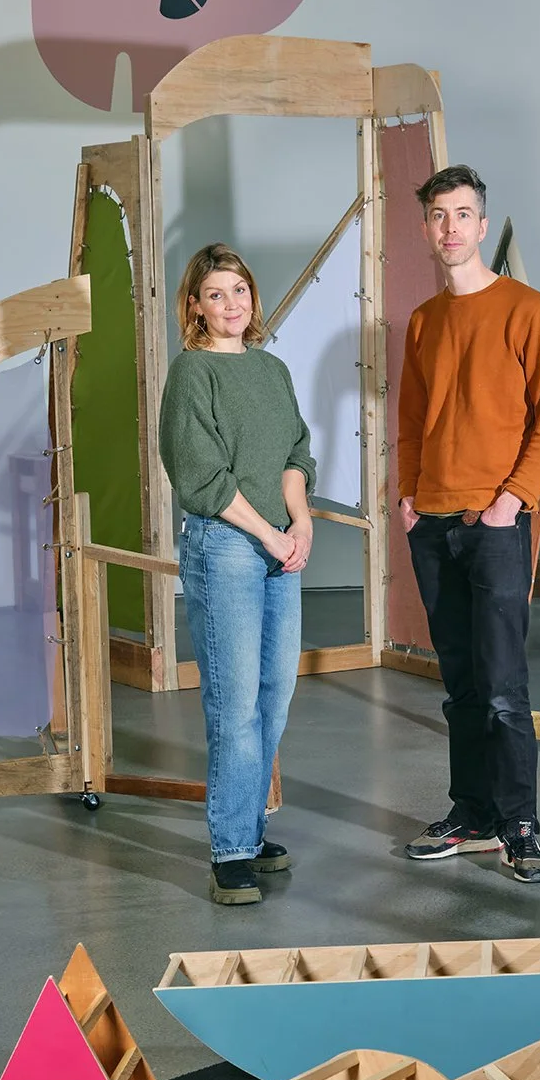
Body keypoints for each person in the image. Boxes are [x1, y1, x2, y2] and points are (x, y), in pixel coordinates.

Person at [397, 164, 540, 882]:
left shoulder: (527, 310)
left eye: (463, 215)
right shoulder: (423, 321)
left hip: (496, 521)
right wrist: (407, 497)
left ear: (480, 222)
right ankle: (471, 813)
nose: (450, 228)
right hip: (431, 523)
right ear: (428, 226)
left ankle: (520, 822)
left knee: (504, 685)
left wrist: (513, 499)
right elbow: (410, 421)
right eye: (438, 216)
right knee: (461, 682)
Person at [158, 243, 315, 905]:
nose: (231, 304)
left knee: (274, 694)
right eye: (216, 293)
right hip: (226, 544)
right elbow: (202, 474)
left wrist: (300, 524)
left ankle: (249, 831)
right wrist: (270, 534)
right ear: (193, 305)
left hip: (281, 544)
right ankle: (230, 852)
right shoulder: (191, 374)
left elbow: (295, 451)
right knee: (233, 701)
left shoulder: (272, 371)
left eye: (240, 291)